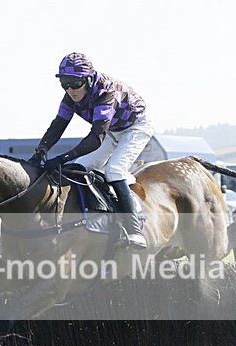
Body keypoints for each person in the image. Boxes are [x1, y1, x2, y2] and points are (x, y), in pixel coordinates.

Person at [28, 52, 154, 249]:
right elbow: (59, 125)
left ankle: (134, 230)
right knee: (77, 167)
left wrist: (61, 157)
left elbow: (96, 138)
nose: (70, 89)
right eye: (64, 83)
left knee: (114, 170)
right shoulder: (71, 95)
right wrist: (41, 151)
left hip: (135, 128)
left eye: (74, 83)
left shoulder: (105, 91)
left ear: (87, 79)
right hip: (112, 130)